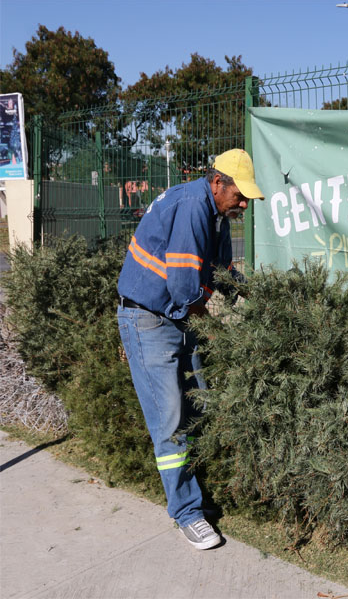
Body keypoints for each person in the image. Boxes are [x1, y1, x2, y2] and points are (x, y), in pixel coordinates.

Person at [117, 149, 263, 550]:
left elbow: (219, 270)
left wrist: (256, 296)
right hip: (149, 321)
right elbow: (184, 288)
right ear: (218, 182)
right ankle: (187, 513)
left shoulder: (215, 213)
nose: (245, 203)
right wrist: (215, 330)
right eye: (240, 194)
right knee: (170, 421)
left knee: (199, 403)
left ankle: (196, 493)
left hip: (174, 318)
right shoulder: (192, 208)